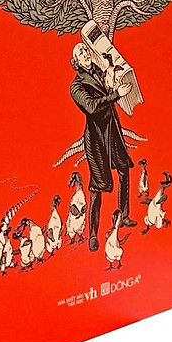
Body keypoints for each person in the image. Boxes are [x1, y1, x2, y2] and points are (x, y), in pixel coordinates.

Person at [69, 42, 136, 251]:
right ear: (75, 62)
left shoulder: (98, 70)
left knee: (124, 168)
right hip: (97, 138)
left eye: (85, 49)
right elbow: (91, 107)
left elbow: (107, 88)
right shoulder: (76, 86)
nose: (85, 53)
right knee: (97, 187)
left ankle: (123, 216)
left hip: (112, 131)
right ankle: (93, 235)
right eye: (80, 52)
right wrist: (116, 95)